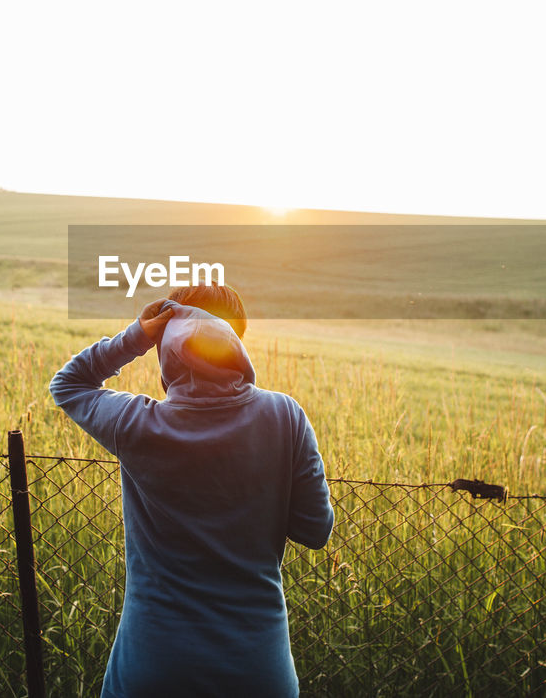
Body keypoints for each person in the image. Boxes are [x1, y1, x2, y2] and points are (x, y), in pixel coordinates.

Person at [49, 284, 335, 697]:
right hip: (257, 667)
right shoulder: (284, 415)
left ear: (170, 340)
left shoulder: (134, 422)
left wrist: (137, 336)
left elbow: (69, 384)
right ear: (234, 343)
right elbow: (315, 530)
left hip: (152, 664)